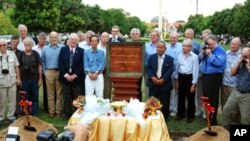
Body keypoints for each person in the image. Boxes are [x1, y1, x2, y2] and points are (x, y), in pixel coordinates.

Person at [199, 35, 226, 125]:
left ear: (216, 41)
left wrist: (210, 54)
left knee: (213, 99)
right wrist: (203, 53)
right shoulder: (207, 49)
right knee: (206, 98)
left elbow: (219, 63)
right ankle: (208, 118)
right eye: (208, 44)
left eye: (212, 44)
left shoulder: (221, 51)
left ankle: (213, 120)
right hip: (206, 77)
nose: (210, 46)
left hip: (215, 77)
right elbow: (199, 59)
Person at [222, 48, 250, 130]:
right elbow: (232, 73)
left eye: (245, 56)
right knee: (226, 110)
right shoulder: (241, 63)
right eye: (242, 55)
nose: (243, 57)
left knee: (246, 118)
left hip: (247, 95)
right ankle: (225, 132)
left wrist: (248, 67)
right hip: (236, 91)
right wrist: (238, 63)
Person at [59, 33, 85, 120]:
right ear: (69, 40)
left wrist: (74, 75)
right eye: (72, 39)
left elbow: (82, 64)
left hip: (77, 78)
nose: (73, 41)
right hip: (65, 78)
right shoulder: (63, 50)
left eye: (75, 39)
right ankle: (67, 114)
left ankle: (78, 113)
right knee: (66, 96)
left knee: (78, 96)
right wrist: (66, 75)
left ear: (78, 40)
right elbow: (60, 63)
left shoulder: (82, 51)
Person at [147, 41, 174, 120]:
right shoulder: (151, 57)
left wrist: (163, 79)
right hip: (153, 83)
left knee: (165, 103)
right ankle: (152, 117)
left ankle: (164, 118)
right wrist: (152, 77)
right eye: (157, 47)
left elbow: (171, 69)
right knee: (152, 101)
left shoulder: (170, 59)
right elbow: (148, 68)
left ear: (165, 49)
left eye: (161, 47)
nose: (159, 49)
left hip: (165, 84)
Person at [175, 39, 199, 123]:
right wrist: (177, 80)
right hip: (181, 77)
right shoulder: (179, 55)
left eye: (186, 46)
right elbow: (177, 68)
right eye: (183, 45)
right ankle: (180, 114)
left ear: (190, 47)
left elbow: (196, 70)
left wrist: (194, 84)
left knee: (190, 98)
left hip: (190, 78)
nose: (184, 47)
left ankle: (190, 115)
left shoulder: (195, 57)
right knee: (181, 97)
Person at [18, 38, 42, 116]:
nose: (27, 46)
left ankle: (35, 113)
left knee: (35, 96)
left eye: (29, 44)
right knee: (26, 97)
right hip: (24, 79)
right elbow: (18, 67)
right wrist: (19, 78)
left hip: (34, 79)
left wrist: (40, 79)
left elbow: (39, 66)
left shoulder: (35, 53)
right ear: (24, 45)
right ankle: (27, 112)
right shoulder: (21, 54)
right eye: (26, 45)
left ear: (32, 45)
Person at [41, 31, 62, 118]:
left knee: (59, 93)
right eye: (52, 37)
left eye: (55, 37)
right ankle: (51, 111)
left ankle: (58, 111)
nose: (54, 39)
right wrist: (45, 71)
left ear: (57, 38)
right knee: (50, 93)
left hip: (59, 71)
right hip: (49, 72)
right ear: (49, 38)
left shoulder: (62, 48)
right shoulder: (45, 49)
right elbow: (42, 60)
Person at [0, 39, 21, 124]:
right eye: (0, 45)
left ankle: (11, 116)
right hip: (1, 83)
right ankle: (1, 117)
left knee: (12, 101)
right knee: (1, 102)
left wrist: (18, 78)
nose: (2, 47)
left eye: (3, 45)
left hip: (12, 82)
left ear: (7, 45)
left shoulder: (12, 54)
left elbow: (16, 67)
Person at [195, 29, 212, 118]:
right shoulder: (202, 45)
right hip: (200, 72)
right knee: (199, 93)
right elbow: (199, 58)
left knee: (207, 93)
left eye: (205, 36)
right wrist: (202, 52)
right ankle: (200, 110)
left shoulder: (213, 45)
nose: (203, 38)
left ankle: (207, 111)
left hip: (209, 73)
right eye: (203, 36)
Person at [221, 37, 241, 109]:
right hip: (225, 83)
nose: (232, 45)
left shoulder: (242, 56)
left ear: (239, 45)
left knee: (235, 104)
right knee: (224, 101)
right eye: (232, 43)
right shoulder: (226, 53)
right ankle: (225, 119)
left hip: (236, 85)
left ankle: (235, 119)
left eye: (235, 44)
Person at [166, 31, 183, 117]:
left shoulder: (181, 47)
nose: (173, 39)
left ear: (177, 38)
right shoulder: (166, 47)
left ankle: (175, 109)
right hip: (168, 73)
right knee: (169, 91)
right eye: (171, 37)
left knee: (176, 92)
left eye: (174, 37)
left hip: (178, 73)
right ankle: (169, 108)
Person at [33, 32, 48, 112]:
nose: (42, 40)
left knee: (47, 89)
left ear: (45, 40)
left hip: (46, 71)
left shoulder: (48, 48)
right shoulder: (34, 48)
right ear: (38, 39)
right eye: (40, 39)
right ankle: (35, 107)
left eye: (43, 39)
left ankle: (46, 106)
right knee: (35, 89)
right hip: (36, 72)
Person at [145, 29, 162, 99]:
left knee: (160, 89)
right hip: (149, 70)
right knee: (149, 89)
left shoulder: (163, 45)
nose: (152, 37)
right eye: (151, 35)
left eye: (154, 35)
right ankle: (148, 104)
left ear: (158, 36)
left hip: (160, 70)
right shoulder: (146, 46)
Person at [98, 32, 112, 99]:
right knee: (99, 87)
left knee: (107, 88)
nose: (104, 38)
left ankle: (107, 101)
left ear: (108, 38)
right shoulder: (97, 47)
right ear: (100, 37)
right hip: (98, 70)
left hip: (108, 70)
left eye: (106, 36)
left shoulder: (111, 47)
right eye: (103, 36)